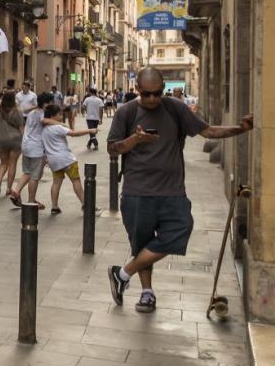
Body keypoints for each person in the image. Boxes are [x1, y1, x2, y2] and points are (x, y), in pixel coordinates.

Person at [106, 67, 253, 314]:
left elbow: (208, 131)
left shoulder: (175, 108)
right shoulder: (126, 112)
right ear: (137, 89)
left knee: (181, 229)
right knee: (141, 243)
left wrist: (241, 129)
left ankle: (122, 273)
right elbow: (112, 148)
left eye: (157, 93)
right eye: (146, 94)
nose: (152, 99)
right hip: (137, 191)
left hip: (172, 190)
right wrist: (135, 140)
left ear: (163, 88)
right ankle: (147, 293)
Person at [41, 104, 97, 215]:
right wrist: (90, 130)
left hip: (54, 161)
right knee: (76, 181)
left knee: (56, 183)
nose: (61, 116)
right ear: (52, 116)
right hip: (67, 159)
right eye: (59, 114)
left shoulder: (44, 130)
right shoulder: (58, 128)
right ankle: (85, 203)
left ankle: (54, 206)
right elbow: (73, 133)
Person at [9, 91, 55, 209]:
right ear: (45, 104)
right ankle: (31, 202)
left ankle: (16, 192)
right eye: (51, 102)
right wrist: (61, 124)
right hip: (36, 149)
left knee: (27, 172)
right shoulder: (43, 115)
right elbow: (44, 122)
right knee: (35, 177)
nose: (53, 104)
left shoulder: (32, 113)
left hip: (26, 146)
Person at [0, 89, 24, 195]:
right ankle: (9, 189)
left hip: (0, 139)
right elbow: (21, 129)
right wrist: (24, 141)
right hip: (15, 140)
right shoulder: (17, 111)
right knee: (12, 164)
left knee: (3, 163)